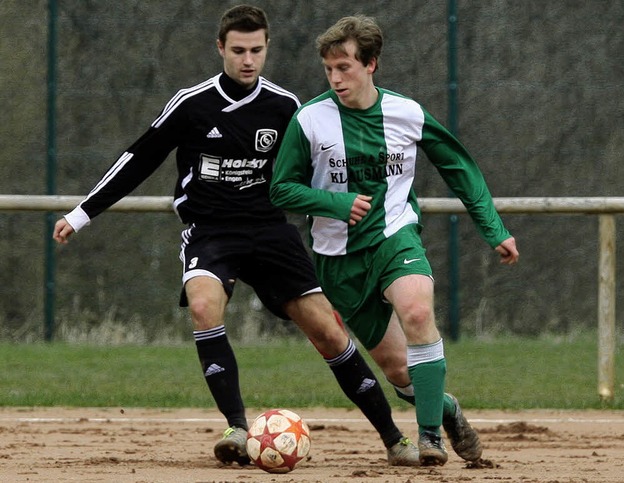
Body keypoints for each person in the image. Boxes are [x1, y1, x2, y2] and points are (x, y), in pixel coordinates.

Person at [52, 5, 421, 468]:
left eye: (257, 50)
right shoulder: (192, 103)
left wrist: (345, 210)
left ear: (267, 49)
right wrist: (83, 213)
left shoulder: (286, 107)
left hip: (271, 233)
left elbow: (320, 171)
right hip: (211, 233)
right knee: (204, 306)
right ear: (221, 48)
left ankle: (393, 439)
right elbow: (140, 157)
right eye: (239, 50)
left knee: (329, 331)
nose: (248, 60)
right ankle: (237, 427)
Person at [270, 15, 520, 467]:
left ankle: (430, 439)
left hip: (394, 236)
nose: (335, 77)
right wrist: (335, 203)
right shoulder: (309, 120)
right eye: (329, 69)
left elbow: (460, 168)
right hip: (338, 260)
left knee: (418, 310)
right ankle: (446, 411)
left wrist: (494, 230)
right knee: (400, 371)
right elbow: (280, 189)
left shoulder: (407, 113)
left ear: (371, 64)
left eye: (344, 67)